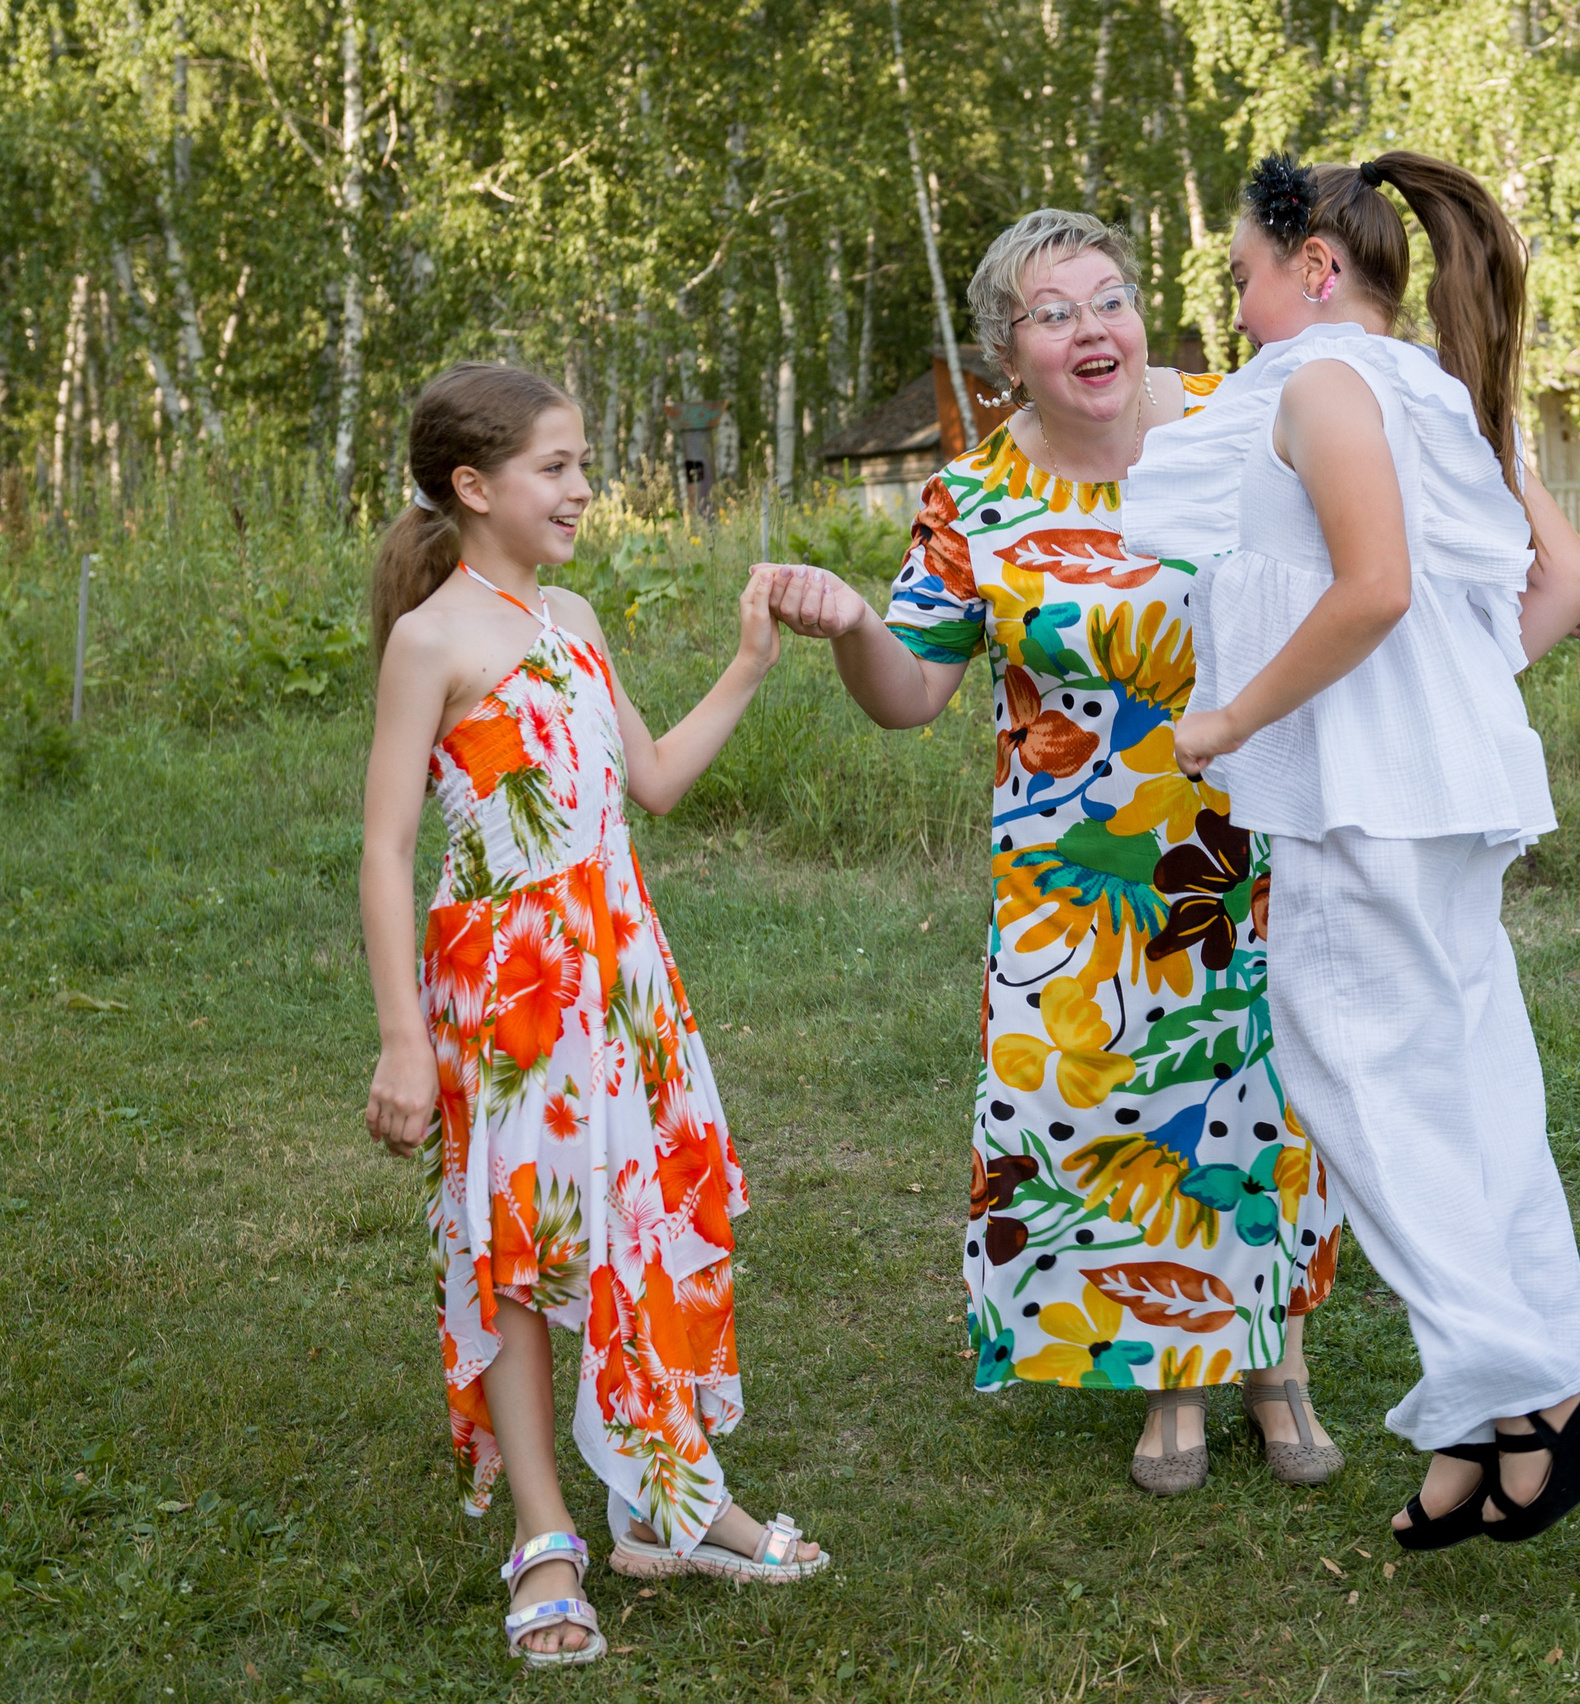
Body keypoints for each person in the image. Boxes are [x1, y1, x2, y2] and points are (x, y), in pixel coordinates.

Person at [764, 209, 1343, 1497]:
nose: (1094, 330)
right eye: (1053, 312)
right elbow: (910, 692)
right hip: (1073, 869)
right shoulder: (973, 496)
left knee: (1269, 1088)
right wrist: (860, 619)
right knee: (1103, 1106)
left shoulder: (1248, 418)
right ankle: (1171, 1373)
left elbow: (1376, 534)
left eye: (1110, 298)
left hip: (1255, 823)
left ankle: (1278, 1357)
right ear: (1005, 355)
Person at [1127, 151, 1580, 1552]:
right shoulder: (1429, 392)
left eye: (1239, 275)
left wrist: (1230, 716)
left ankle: (1540, 1395)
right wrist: (1453, 710)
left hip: (1366, 804)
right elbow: (1559, 584)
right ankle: (1497, 1421)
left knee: (1360, 1087)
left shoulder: (1326, 386)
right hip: (1439, 792)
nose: (1231, 309)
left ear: (1312, 267)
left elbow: (1374, 589)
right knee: (1473, 1092)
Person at [359, 363, 825, 1668]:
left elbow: (656, 781)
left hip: (623, 985)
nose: (581, 488)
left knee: (652, 1219)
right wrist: (405, 1038)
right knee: (520, 1255)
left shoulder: (570, 613)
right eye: (556, 467)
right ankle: (546, 1539)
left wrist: (746, 664)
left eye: (579, 464)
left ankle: (672, 1502)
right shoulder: (432, 641)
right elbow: (386, 848)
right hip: (504, 1005)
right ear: (474, 485)